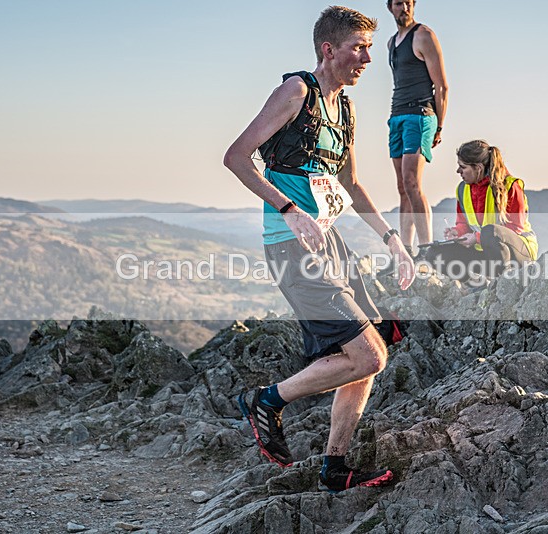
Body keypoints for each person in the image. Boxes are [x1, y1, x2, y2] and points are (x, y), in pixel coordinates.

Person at [223, 6, 414, 493]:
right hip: (292, 245)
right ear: (329, 49)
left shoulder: (345, 108)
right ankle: (267, 400)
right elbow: (236, 157)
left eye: (371, 48)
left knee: (375, 347)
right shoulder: (296, 92)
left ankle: (336, 466)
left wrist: (392, 240)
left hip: (331, 243)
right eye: (358, 47)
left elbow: (351, 183)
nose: (368, 58)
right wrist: (289, 208)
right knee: (367, 354)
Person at [386, 0, 448, 258]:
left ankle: (426, 249)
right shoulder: (391, 43)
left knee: (412, 182)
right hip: (397, 115)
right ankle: (407, 251)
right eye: (400, 3)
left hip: (421, 114)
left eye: (409, 3)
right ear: (390, 7)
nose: (406, 8)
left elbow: (442, 86)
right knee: (402, 186)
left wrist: (439, 126)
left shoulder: (423, 35)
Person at [425, 140, 538, 281]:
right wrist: (457, 232)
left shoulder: (510, 186)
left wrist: (477, 238)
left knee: (490, 232)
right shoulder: (462, 189)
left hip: (518, 254)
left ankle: (505, 283)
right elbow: (463, 224)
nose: (458, 171)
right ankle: (476, 286)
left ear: (478, 167)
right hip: (485, 252)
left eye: (463, 167)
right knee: (434, 254)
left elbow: (515, 229)